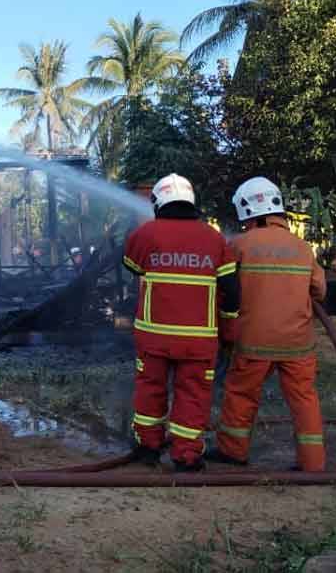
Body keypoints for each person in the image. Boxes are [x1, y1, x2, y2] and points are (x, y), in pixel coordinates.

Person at [206, 177, 327, 471]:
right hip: (298, 343)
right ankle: (313, 462)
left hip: (253, 340)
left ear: (248, 209)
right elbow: (320, 291)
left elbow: (223, 288)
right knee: (304, 400)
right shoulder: (302, 247)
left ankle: (233, 452)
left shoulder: (239, 245)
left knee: (242, 394)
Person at [123, 173, 240, 471]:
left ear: (158, 201)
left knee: (150, 389)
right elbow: (232, 289)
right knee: (193, 395)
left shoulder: (146, 234)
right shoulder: (214, 238)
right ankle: (186, 456)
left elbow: (132, 267)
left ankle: (148, 448)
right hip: (198, 339)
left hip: (154, 336)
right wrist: (229, 326)